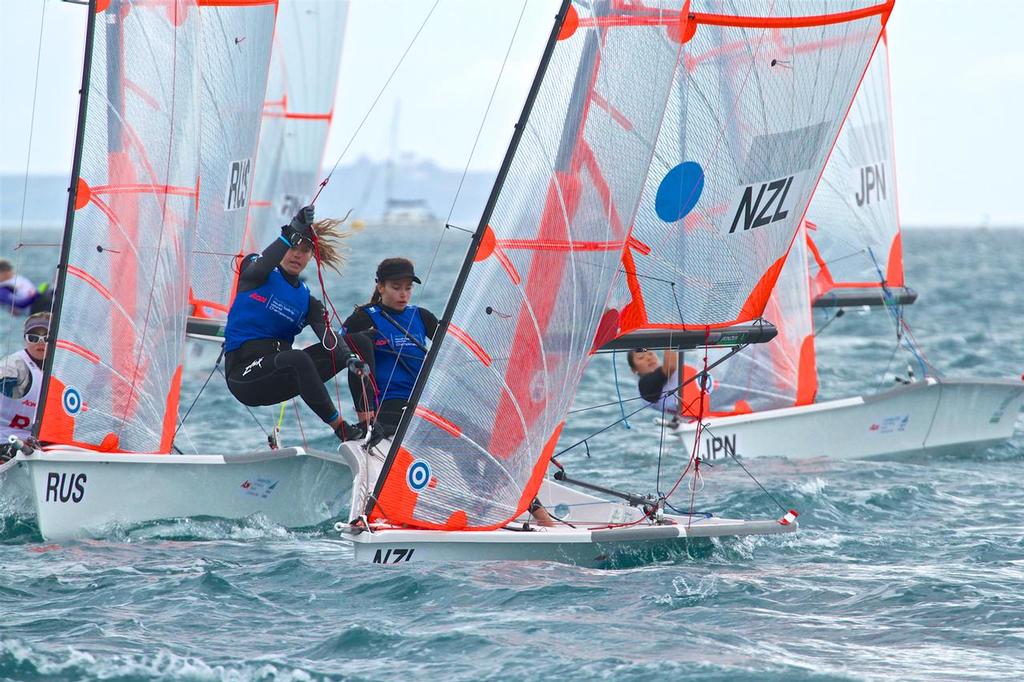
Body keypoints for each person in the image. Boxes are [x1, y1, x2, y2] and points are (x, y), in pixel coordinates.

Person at [223, 206, 373, 441]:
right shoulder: (256, 271)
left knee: (360, 343)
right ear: (284, 246)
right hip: (244, 376)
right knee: (297, 358)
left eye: (305, 251)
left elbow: (327, 334)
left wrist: (349, 358)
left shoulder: (307, 301)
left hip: (281, 377)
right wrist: (292, 230)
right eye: (293, 247)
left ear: (312, 256)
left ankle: (369, 426)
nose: (297, 255)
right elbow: (263, 263)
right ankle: (340, 428)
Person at [343, 257, 437, 438]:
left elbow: (452, 349)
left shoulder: (422, 316)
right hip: (388, 402)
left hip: (423, 401)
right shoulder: (364, 318)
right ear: (381, 287)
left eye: (408, 288)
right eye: (396, 287)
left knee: (472, 431)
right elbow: (339, 349)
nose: (403, 294)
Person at [0, 312, 50, 461]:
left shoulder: (61, 368)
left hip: (37, 444)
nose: (40, 342)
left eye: (46, 337)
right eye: (33, 337)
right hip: (6, 442)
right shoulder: (16, 365)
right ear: (25, 340)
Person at [627, 349, 680, 416]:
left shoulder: (665, 375)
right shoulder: (645, 386)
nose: (649, 358)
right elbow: (670, 366)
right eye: (641, 357)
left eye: (650, 353)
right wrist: (670, 339)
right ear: (634, 370)